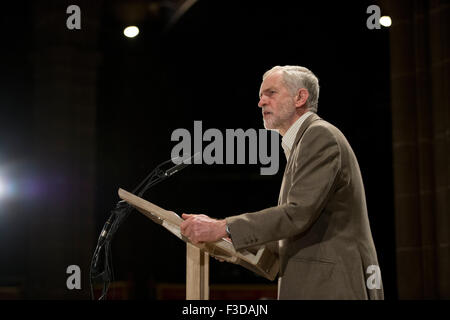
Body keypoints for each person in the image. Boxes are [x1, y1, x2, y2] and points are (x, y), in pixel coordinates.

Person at [180, 65, 384, 299]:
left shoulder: (319, 136)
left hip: (330, 285)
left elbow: (296, 215)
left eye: (271, 93)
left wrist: (222, 227)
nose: (261, 102)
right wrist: (228, 240)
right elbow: (294, 231)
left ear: (300, 97)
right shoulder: (302, 142)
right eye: (260, 96)